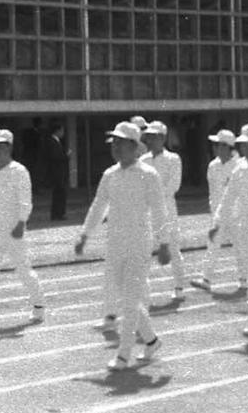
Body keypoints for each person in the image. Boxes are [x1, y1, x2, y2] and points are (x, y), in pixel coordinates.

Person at [76, 121, 175, 371]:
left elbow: (160, 211)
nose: (116, 147)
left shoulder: (148, 175)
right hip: (115, 244)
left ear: (134, 146)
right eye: (114, 143)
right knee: (126, 298)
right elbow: (98, 206)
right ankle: (151, 340)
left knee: (130, 300)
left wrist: (164, 243)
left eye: (121, 143)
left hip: (139, 244)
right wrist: (84, 235)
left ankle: (124, 354)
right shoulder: (110, 175)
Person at [209, 123, 248, 337]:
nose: (245, 149)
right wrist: (218, 223)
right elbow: (228, 199)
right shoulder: (240, 168)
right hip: (246, 229)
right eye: (243, 144)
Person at [0, 128, 45, 327]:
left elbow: (25, 200)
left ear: (9, 148)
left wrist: (21, 223)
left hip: (13, 229)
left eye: (0, 146)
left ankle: (39, 306)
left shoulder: (19, 171)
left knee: (23, 270)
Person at [140, 120, 190, 299]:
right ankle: (142, 291)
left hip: (167, 210)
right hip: (147, 212)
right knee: (144, 250)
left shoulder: (173, 159)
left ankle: (179, 287)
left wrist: (155, 198)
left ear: (162, 138)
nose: (150, 140)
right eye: (149, 137)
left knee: (173, 248)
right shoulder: (142, 160)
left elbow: (174, 185)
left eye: (154, 137)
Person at [203, 129, 242, 289]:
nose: (215, 148)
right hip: (220, 214)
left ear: (228, 147)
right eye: (215, 145)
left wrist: (238, 213)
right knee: (212, 244)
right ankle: (206, 279)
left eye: (218, 145)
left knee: (241, 247)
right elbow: (212, 192)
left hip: (238, 215)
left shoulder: (240, 165)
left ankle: (245, 279)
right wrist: (215, 214)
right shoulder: (213, 165)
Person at [43, 121, 70, 220]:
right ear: (58, 131)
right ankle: (58, 214)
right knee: (59, 193)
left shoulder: (56, 141)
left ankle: (58, 213)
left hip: (59, 172)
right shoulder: (52, 142)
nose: (63, 133)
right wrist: (66, 156)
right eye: (62, 130)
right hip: (57, 172)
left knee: (59, 193)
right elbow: (55, 157)